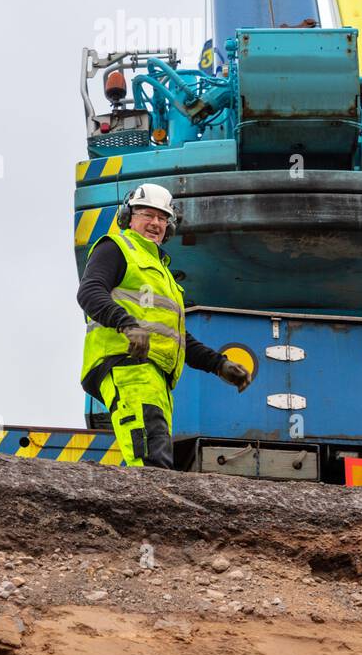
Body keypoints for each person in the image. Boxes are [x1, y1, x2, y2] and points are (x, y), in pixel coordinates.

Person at [77, 182, 252, 469]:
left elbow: (176, 335)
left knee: (150, 453)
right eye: (147, 214)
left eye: (162, 218)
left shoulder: (163, 272)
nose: (155, 223)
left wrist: (218, 364)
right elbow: (89, 291)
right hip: (128, 365)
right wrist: (127, 325)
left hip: (155, 376)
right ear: (128, 217)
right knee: (150, 458)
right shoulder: (117, 247)